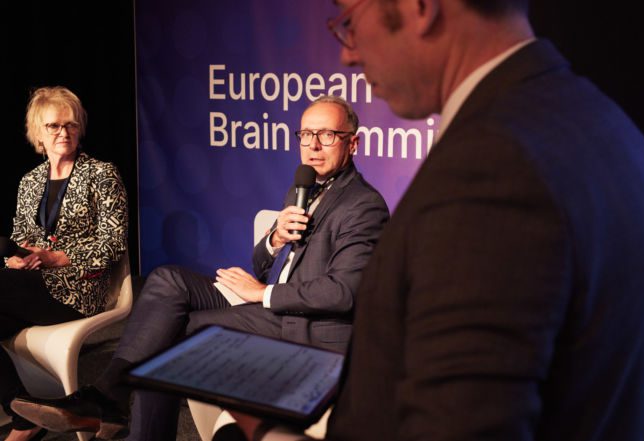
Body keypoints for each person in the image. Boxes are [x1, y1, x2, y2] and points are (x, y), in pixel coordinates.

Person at [217, 1, 644, 440]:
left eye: (350, 21)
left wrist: (263, 433)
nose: (347, 54)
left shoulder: (490, 170)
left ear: (420, 7)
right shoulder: (597, 119)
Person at [11, 95, 390, 440]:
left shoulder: (364, 206)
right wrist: (275, 240)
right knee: (168, 280)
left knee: (171, 334)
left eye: (327, 135)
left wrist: (263, 293)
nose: (313, 145)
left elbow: (344, 293)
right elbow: (261, 264)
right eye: (306, 134)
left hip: (308, 329)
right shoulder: (300, 188)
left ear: (353, 143)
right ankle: (110, 396)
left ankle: (116, 408)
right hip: (268, 305)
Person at [0, 86, 128, 441]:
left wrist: (54, 257)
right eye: (54, 126)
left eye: (70, 125)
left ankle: (26, 422)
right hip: (30, 285)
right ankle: (23, 416)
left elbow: (113, 243)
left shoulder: (101, 174)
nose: (63, 132)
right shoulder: (30, 182)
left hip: (78, 288)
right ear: (38, 133)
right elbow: (21, 235)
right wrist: (17, 257)